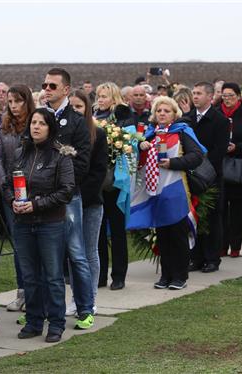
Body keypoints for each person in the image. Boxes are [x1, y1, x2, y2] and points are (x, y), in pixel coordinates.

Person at [4, 107, 75, 343]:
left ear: (50, 127)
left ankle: (56, 323)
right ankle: (34, 321)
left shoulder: (60, 154)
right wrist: (13, 201)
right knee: (29, 276)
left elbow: (66, 191)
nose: (36, 126)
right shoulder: (20, 152)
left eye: (42, 123)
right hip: (23, 223)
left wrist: (36, 205)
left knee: (53, 276)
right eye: (33, 122)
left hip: (50, 223)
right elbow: (6, 183)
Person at [134, 96, 205, 289]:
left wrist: (173, 163)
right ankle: (166, 275)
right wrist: (140, 148)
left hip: (177, 189)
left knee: (177, 233)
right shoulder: (149, 134)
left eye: (166, 111)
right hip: (155, 190)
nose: (162, 114)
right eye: (159, 111)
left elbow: (197, 156)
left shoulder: (182, 132)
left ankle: (180, 276)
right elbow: (138, 163)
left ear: (174, 114)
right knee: (162, 234)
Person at [43, 67, 93, 329]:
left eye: (53, 86)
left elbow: (82, 162)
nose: (47, 90)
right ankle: (40, 311)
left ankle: (85, 308)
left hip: (67, 196)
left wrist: (61, 185)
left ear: (65, 89)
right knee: (44, 255)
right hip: (40, 197)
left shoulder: (76, 121)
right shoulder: (39, 116)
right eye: (45, 85)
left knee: (76, 253)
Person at [0, 85, 35, 312]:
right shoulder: (4, 129)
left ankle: (36, 292)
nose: (14, 106)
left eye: (18, 101)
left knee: (36, 245)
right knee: (19, 245)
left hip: (35, 192)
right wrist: (5, 189)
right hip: (11, 194)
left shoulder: (37, 124)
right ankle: (22, 292)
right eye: (10, 101)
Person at [69, 89, 107, 311]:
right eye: (71, 107)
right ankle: (76, 297)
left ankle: (89, 299)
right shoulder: (64, 135)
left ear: (87, 109)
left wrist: (80, 195)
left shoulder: (98, 135)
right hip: (68, 199)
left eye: (79, 107)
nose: (75, 111)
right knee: (73, 252)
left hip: (90, 201)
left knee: (89, 251)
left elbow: (99, 171)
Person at [187, 82, 230, 273]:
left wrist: (200, 169)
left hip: (210, 176)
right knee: (194, 216)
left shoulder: (219, 120)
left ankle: (212, 258)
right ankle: (195, 257)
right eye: (193, 93)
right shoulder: (187, 119)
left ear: (210, 97)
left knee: (212, 218)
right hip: (189, 175)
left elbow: (218, 151)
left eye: (198, 93)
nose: (194, 96)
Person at [94, 82, 131, 291]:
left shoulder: (122, 116)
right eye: (98, 96)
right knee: (97, 230)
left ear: (114, 97)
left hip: (115, 181)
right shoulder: (92, 117)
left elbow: (128, 140)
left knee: (117, 230)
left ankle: (119, 275)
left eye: (105, 96)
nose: (100, 99)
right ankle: (99, 275)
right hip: (96, 182)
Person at [218, 82, 242, 259]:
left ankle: (235, 245)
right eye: (224, 96)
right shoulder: (216, 112)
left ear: (238, 96)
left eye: (231, 96)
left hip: (238, 167)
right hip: (219, 166)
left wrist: (237, 147)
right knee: (220, 209)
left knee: (237, 209)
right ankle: (221, 244)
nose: (227, 99)